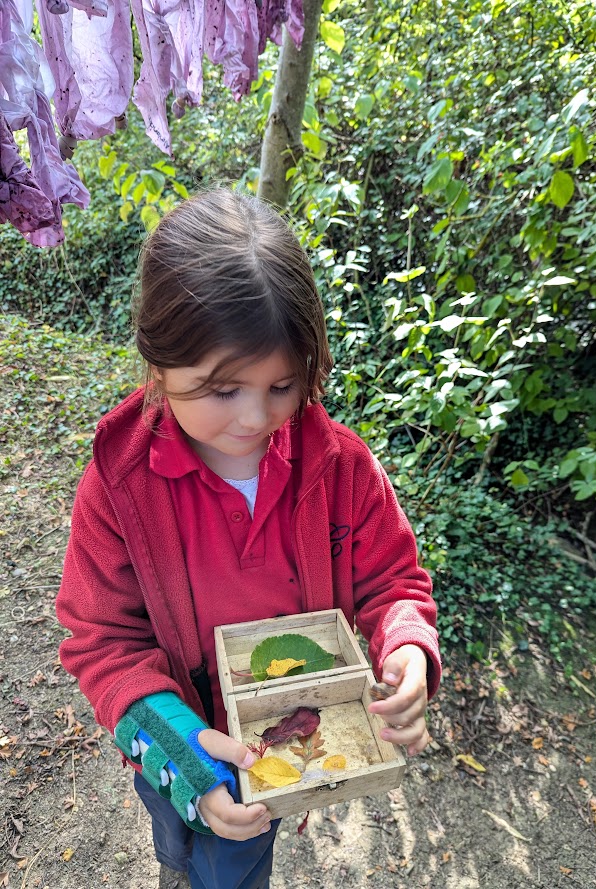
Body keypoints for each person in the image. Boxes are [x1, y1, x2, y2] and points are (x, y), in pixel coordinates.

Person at [56, 187, 442, 889]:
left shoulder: (341, 467)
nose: (256, 417)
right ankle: (179, 861)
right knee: (193, 842)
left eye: (283, 385)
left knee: (244, 852)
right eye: (222, 388)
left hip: (287, 735)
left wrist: (407, 646)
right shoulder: (121, 487)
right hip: (181, 740)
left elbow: (393, 583)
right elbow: (101, 640)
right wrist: (177, 750)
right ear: (159, 362)